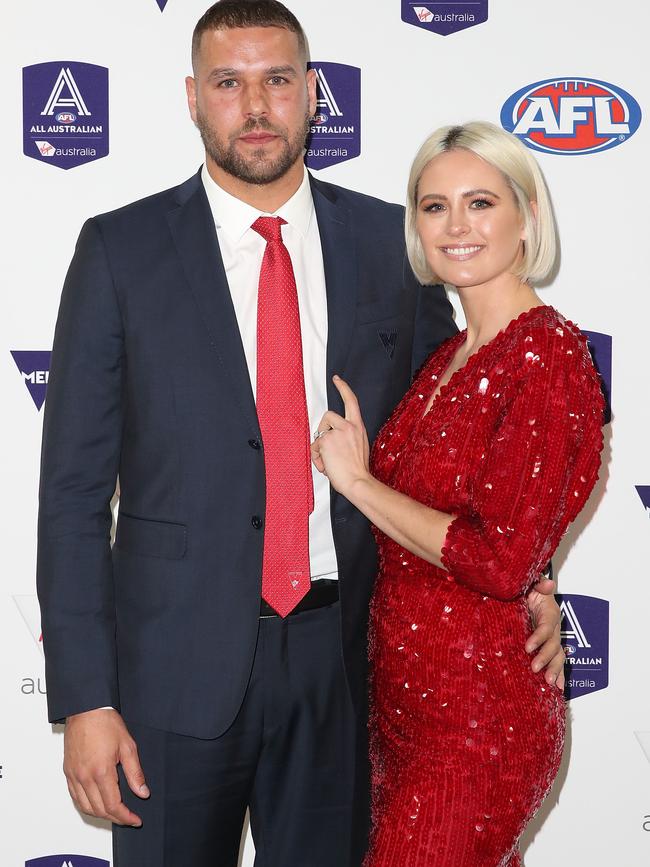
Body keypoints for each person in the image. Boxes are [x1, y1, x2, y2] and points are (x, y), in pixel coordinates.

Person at [36, 1, 566, 863]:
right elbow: (70, 497)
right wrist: (86, 699)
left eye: (278, 81)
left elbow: (471, 433)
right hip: (171, 677)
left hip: (347, 664)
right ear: (192, 98)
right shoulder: (119, 252)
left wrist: (531, 574)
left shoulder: (393, 246)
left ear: (312, 92)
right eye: (229, 83)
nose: (255, 106)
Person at [312, 121, 605, 866]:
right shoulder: (448, 352)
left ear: (526, 215)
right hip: (405, 715)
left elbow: (500, 559)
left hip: (477, 724)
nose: (456, 225)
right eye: (433, 205)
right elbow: (509, 531)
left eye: (480, 202)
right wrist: (542, 573)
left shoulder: (547, 355)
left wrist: (357, 482)